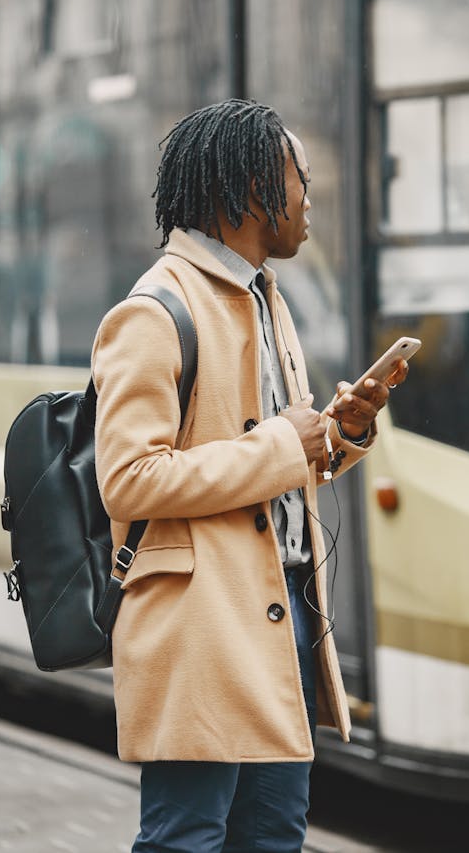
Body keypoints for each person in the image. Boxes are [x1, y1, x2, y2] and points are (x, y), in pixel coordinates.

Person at [91, 99, 407, 853]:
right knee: (187, 837)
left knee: (273, 835)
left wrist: (345, 429)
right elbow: (129, 480)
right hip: (200, 625)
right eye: (301, 182)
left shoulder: (265, 298)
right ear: (253, 190)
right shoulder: (155, 311)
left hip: (282, 613)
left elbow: (279, 459)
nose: (310, 202)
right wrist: (278, 446)